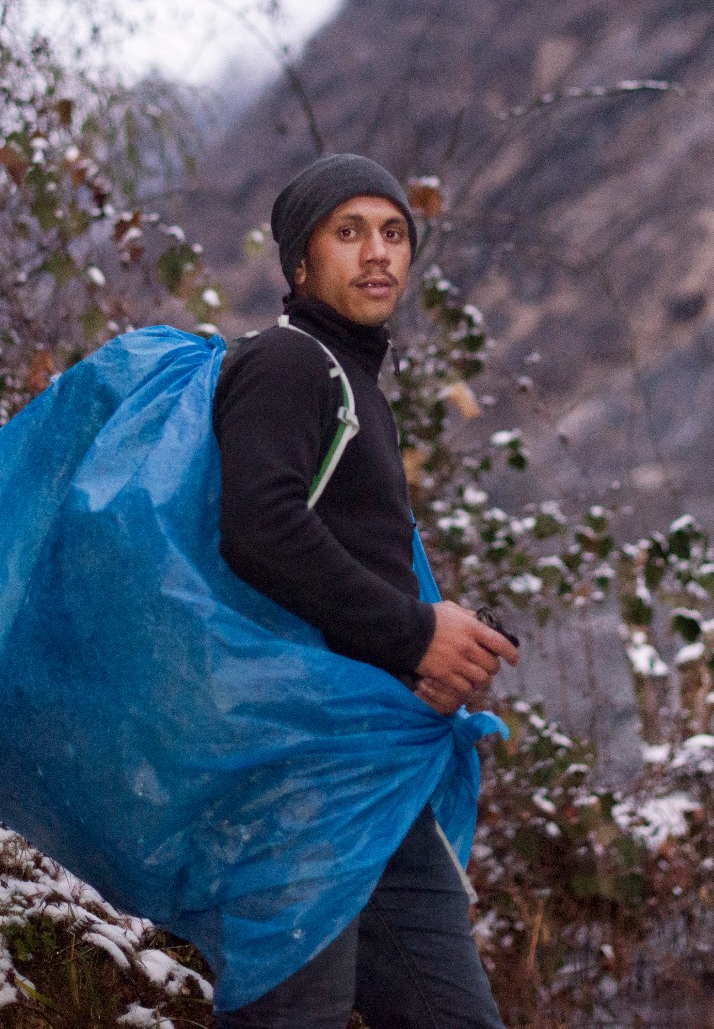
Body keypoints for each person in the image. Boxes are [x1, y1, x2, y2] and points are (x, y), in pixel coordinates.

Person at [212, 152, 522, 1029]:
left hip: (376, 775)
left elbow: (347, 556)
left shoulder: (358, 388)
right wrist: (413, 634)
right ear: (300, 265)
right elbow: (260, 527)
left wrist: (437, 645)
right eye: (348, 233)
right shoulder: (288, 361)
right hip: (301, 772)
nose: (377, 252)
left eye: (392, 232)